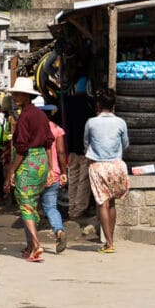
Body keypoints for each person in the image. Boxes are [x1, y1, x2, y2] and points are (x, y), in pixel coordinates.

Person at [3, 78, 54, 262]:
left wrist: (11, 172)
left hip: (29, 161)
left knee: (26, 204)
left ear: (27, 96)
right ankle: (31, 247)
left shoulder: (25, 116)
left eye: (18, 94)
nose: (15, 97)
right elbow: (49, 141)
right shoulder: (41, 115)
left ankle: (36, 244)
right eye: (14, 94)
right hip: (41, 161)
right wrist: (50, 168)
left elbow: (22, 148)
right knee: (32, 203)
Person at [84, 88, 130, 253]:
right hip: (117, 165)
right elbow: (125, 144)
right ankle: (111, 239)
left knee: (102, 203)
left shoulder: (91, 122)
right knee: (112, 202)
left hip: (99, 165)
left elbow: (86, 143)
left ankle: (109, 242)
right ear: (113, 105)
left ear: (98, 105)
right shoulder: (121, 122)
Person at [36, 98, 68, 253]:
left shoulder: (33, 130)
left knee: (31, 207)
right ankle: (59, 231)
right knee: (51, 207)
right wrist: (63, 172)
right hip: (54, 173)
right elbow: (61, 152)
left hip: (35, 172)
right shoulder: (57, 129)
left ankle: (33, 243)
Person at [63, 80, 97, 219]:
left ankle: (71, 209)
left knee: (73, 179)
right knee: (83, 181)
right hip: (84, 150)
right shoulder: (90, 105)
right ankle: (79, 209)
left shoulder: (68, 103)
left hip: (71, 148)